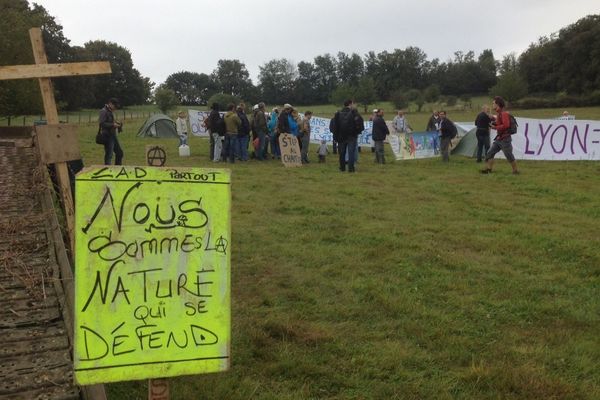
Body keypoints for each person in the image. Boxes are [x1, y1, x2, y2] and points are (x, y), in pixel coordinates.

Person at [481, 96, 520, 174]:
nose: (492, 105)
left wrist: (495, 127)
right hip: (499, 138)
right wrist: (494, 122)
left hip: (505, 139)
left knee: (509, 155)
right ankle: (489, 169)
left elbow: (506, 125)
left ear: (497, 104)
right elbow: (500, 123)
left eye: (493, 103)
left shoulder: (504, 114)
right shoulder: (499, 114)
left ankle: (515, 171)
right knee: (490, 153)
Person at [331, 99, 364, 173]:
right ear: (350, 104)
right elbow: (359, 123)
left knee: (342, 153)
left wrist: (335, 137)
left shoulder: (338, 113)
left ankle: (342, 168)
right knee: (351, 153)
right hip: (352, 136)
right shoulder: (354, 113)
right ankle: (351, 169)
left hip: (341, 136)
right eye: (352, 104)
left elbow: (335, 127)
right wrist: (357, 132)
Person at [99, 97, 123, 165]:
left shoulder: (110, 111)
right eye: (114, 106)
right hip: (107, 136)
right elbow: (102, 123)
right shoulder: (103, 111)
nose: (115, 108)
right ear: (110, 104)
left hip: (112, 135)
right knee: (109, 155)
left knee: (119, 153)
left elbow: (109, 121)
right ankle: (107, 170)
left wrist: (116, 123)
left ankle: (117, 170)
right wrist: (113, 125)